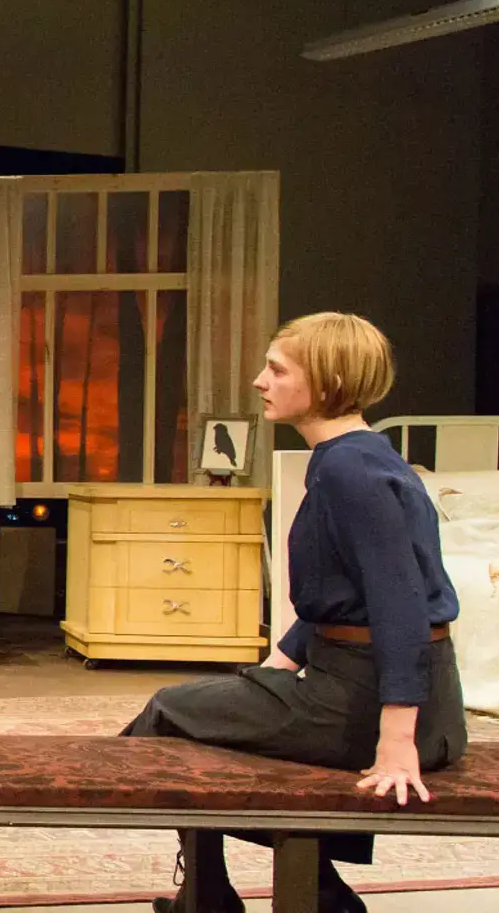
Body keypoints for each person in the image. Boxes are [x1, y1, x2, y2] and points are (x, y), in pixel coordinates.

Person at [124, 313, 464, 913]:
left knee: (167, 714)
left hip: (371, 703)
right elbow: (345, 590)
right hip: (384, 691)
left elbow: (399, 604)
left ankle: (222, 898)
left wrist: (396, 740)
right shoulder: (357, 457)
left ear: (328, 380)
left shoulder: (349, 472)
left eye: (277, 370)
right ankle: (297, 892)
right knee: (218, 712)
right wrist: (278, 662)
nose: (260, 381)